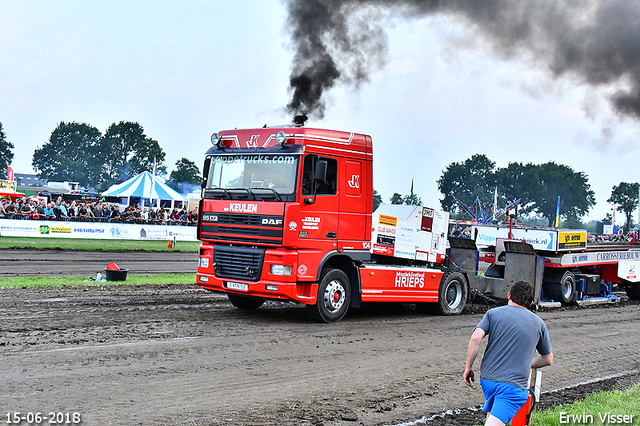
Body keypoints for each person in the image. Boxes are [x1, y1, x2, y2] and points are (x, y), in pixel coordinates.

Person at [463, 281, 553, 426]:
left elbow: (476, 337)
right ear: (530, 304)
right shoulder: (539, 323)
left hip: (488, 381)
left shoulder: (492, 314)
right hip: (513, 386)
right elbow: (548, 359)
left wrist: (468, 367)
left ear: (509, 295)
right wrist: (525, 363)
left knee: (492, 415)